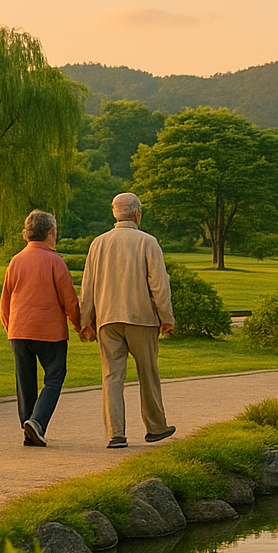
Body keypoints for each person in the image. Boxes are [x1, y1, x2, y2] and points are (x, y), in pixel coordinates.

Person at [80, 192, 176, 449]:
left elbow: (87, 286)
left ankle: (115, 433)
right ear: (137, 214)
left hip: (107, 319)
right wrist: (166, 317)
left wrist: (86, 320)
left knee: (111, 377)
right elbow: (159, 284)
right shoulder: (148, 242)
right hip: (141, 317)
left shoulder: (98, 244)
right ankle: (156, 427)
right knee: (148, 373)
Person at [0, 209, 82, 447]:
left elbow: (5, 301)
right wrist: (79, 326)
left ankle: (28, 428)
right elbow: (70, 301)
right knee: (54, 378)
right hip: (50, 333)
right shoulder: (54, 261)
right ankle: (36, 422)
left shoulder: (15, 261)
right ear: (51, 233)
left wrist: (10, 328)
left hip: (19, 330)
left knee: (25, 382)